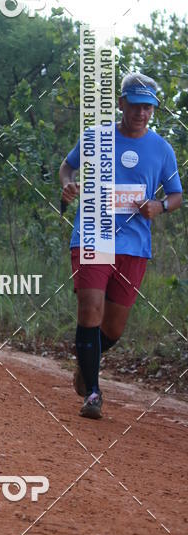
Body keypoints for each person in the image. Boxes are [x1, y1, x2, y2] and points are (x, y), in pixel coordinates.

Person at [59, 72, 183, 419]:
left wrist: (160, 206)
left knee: (112, 328)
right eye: (137, 105)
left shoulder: (162, 149)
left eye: (149, 108)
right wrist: (69, 185)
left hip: (133, 245)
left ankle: (86, 361)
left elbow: (176, 196)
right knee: (89, 311)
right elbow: (67, 168)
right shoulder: (96, 137)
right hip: (92, 235)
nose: (142, 113)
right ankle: (94, 393)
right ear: (121, 103)